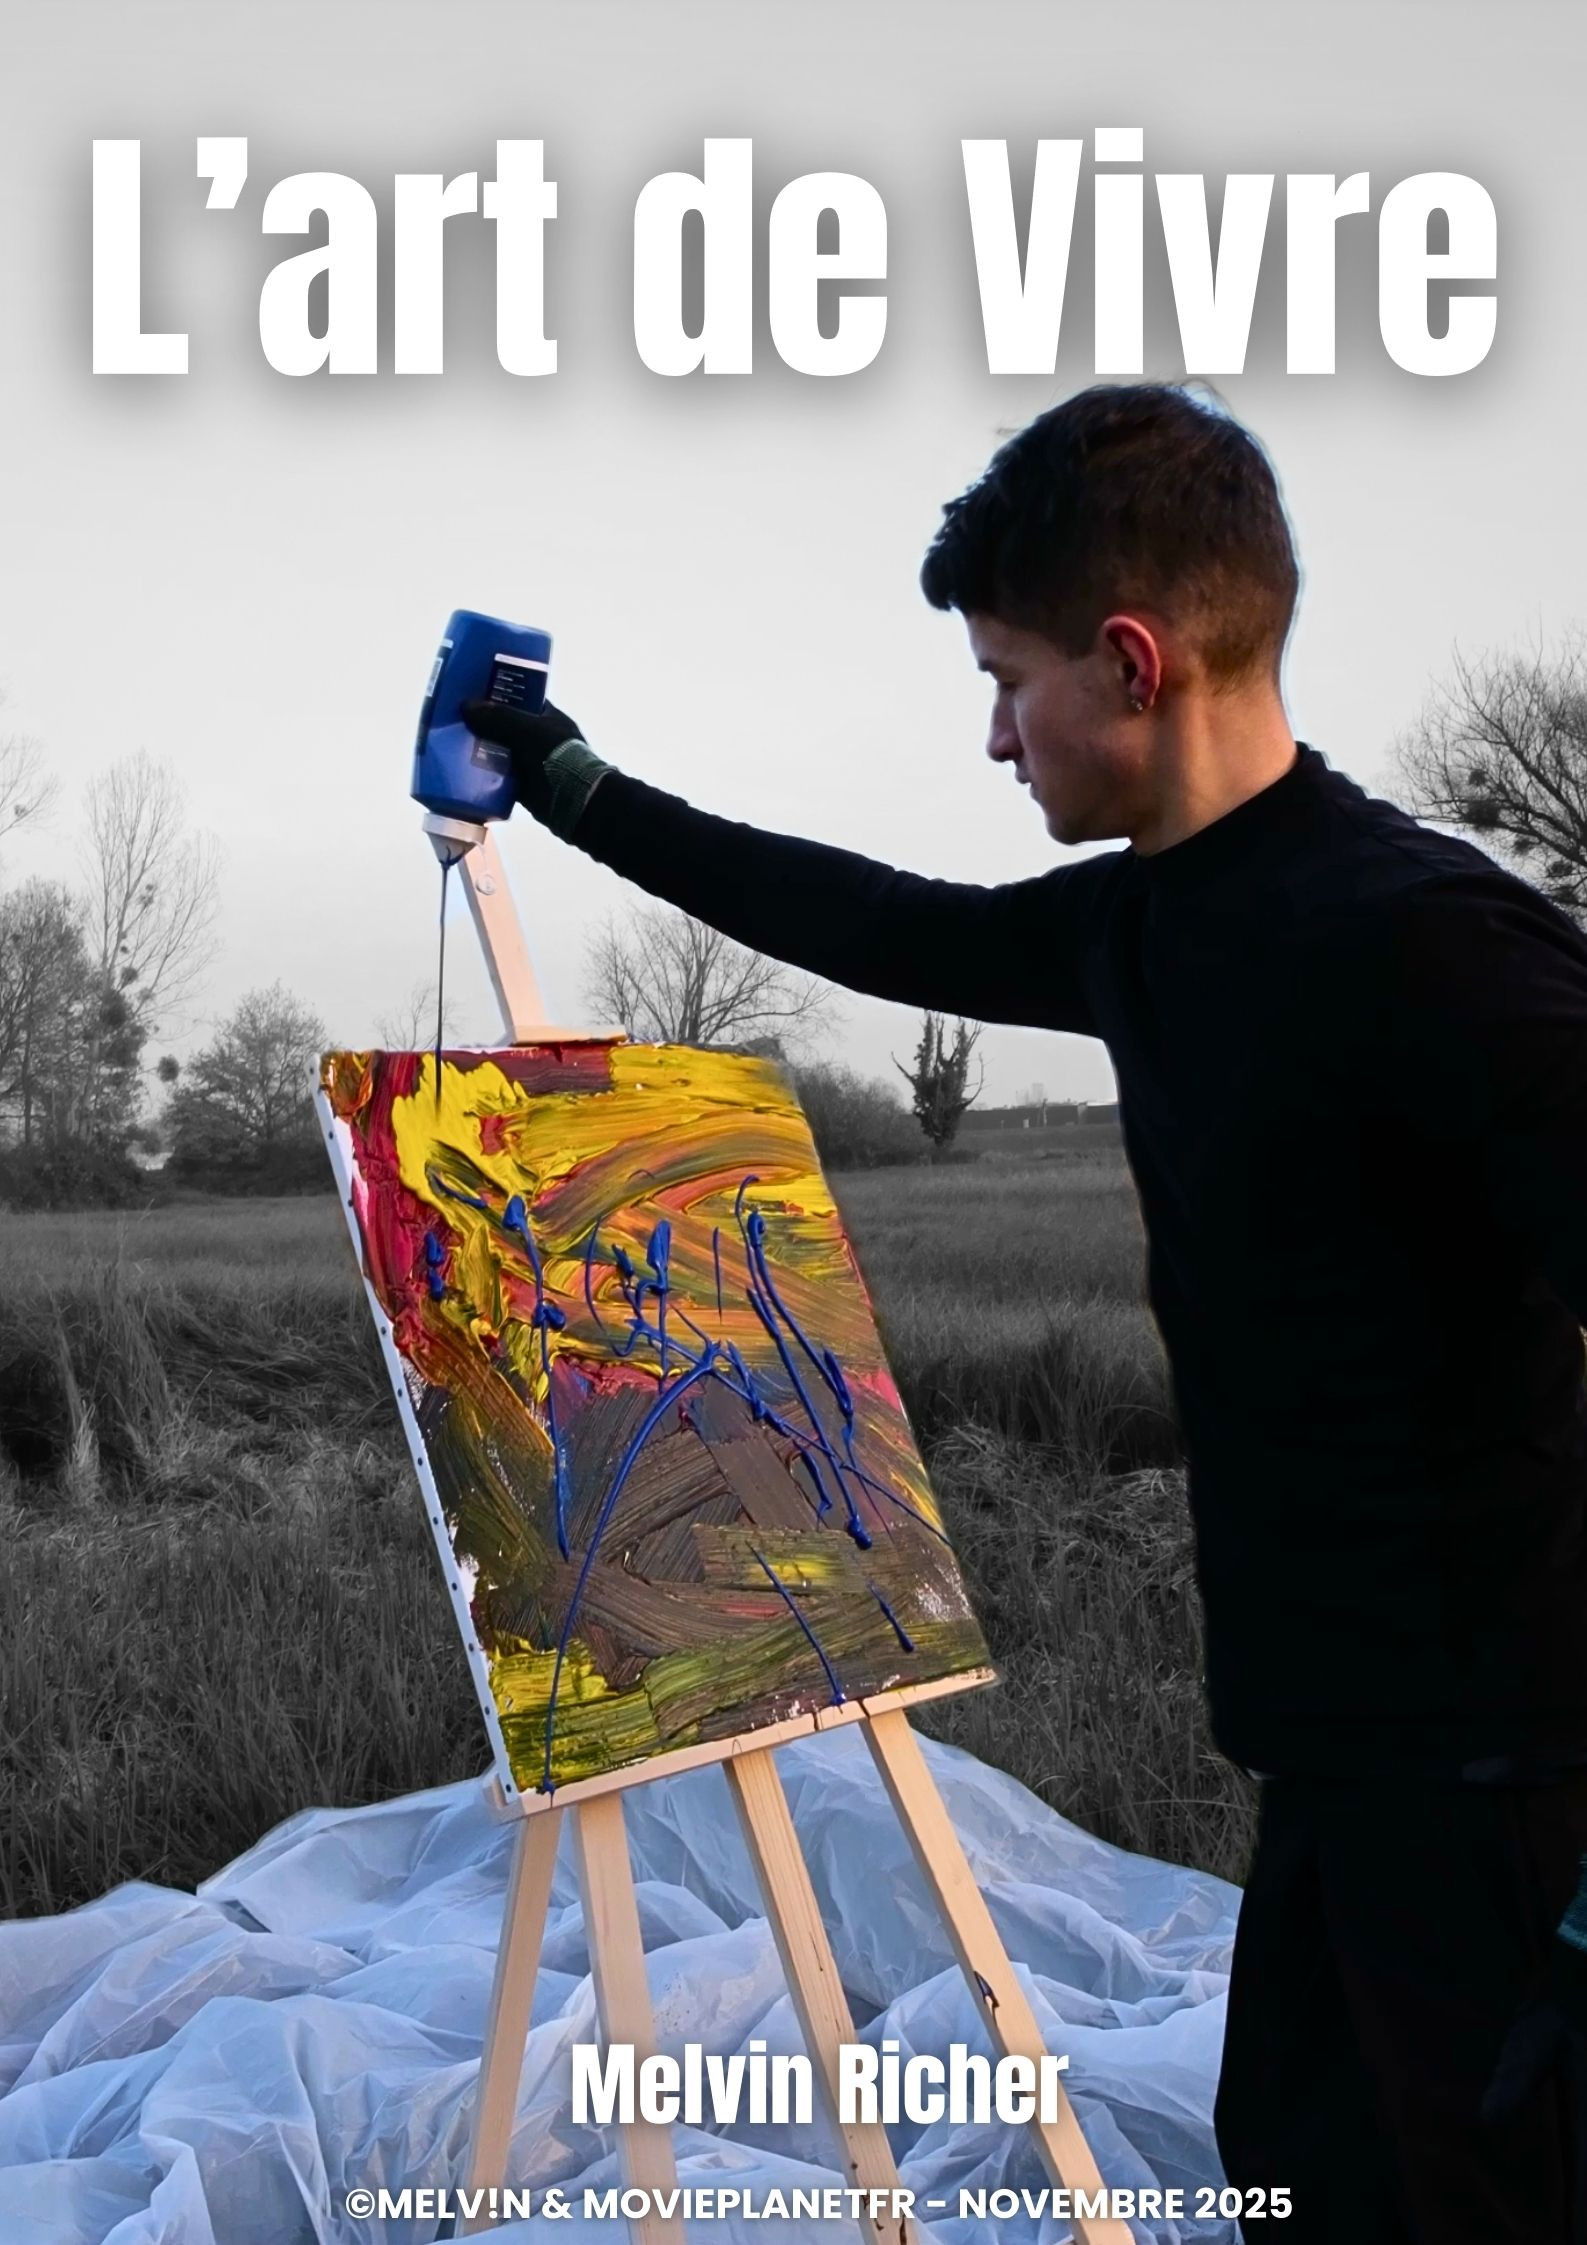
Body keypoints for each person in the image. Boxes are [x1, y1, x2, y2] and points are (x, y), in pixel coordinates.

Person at [463, 382, 1587, 2243]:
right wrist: (574, 784)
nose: (992, 733)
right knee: (1297, 2166)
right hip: (1333, 1762)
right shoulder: (1143, 921)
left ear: (1132, 663)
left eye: (1007, 680)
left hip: (1505, 1790)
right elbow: (872, 918)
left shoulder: (1433, 945)